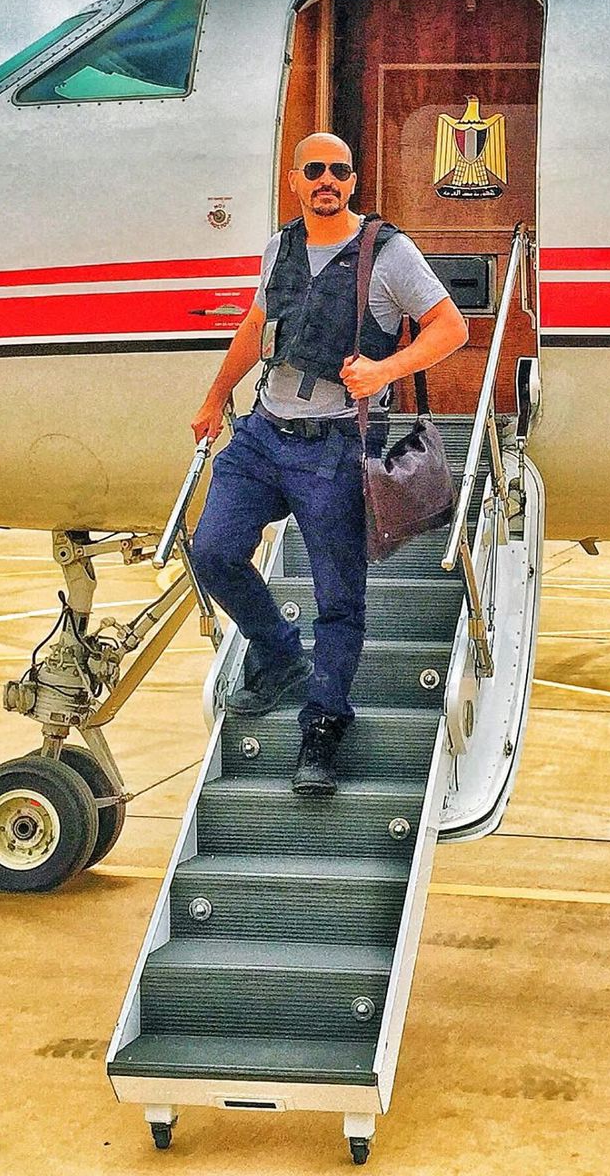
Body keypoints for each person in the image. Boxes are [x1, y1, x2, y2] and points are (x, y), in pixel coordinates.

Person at [188, 132, 468, 795]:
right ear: (294, 180)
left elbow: (450, 327)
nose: (327, 180)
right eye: (314, 169)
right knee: (213, 551)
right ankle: (278, 652)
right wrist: (216, 395)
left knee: (338, 601)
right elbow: (256, 327)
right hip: (263, 435)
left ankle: (323, 727)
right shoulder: (280, 247)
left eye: (339, 171)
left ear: (352, 182)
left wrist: (385, 371)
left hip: (337, 445)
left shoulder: (387, 253)